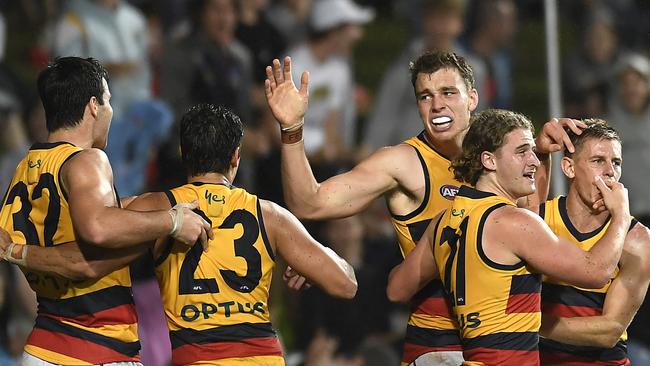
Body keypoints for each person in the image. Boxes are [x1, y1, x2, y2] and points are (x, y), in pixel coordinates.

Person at [264, 51, 582, 365]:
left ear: (472, 98)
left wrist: (540, 156)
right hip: (440, 348)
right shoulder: (403, 164)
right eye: (425, 97)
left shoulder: (504, 155)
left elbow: (532, 229)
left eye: (447, 93)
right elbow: (309, 202)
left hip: (506, 345)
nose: (437, 105)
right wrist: (292, 129)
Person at [1, 103, 358, 365]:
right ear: (235, 157)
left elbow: (86, 260)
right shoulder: (271, 215)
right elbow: (345, 284)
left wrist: (20, 250)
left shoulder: (154, 208)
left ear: (183, 153)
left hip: (194, 357)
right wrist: (314, 264)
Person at [0, 57, 212, 366]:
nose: (111, 112)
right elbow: (95, 233)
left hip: (41, 349)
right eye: (109, 101)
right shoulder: (88, 161)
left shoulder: (25, 169)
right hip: (94, 348)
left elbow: (81, 220)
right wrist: (171, 222)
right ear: (93, 106)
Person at [387, 109, 631, 365]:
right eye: (522, 151)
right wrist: (622, 214)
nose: (533, 160)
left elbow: (396, 289)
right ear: (489, 161)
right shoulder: (512, 223)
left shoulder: (443, 222)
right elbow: (597, 272)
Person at [538, 119, 650, 365]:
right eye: (598, 161)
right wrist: (539, 150)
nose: (609, 171)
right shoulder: (539, 220)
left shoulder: (638, 239)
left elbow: (609, 330)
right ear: (569, 168)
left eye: (616, 162)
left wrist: (525, 323)